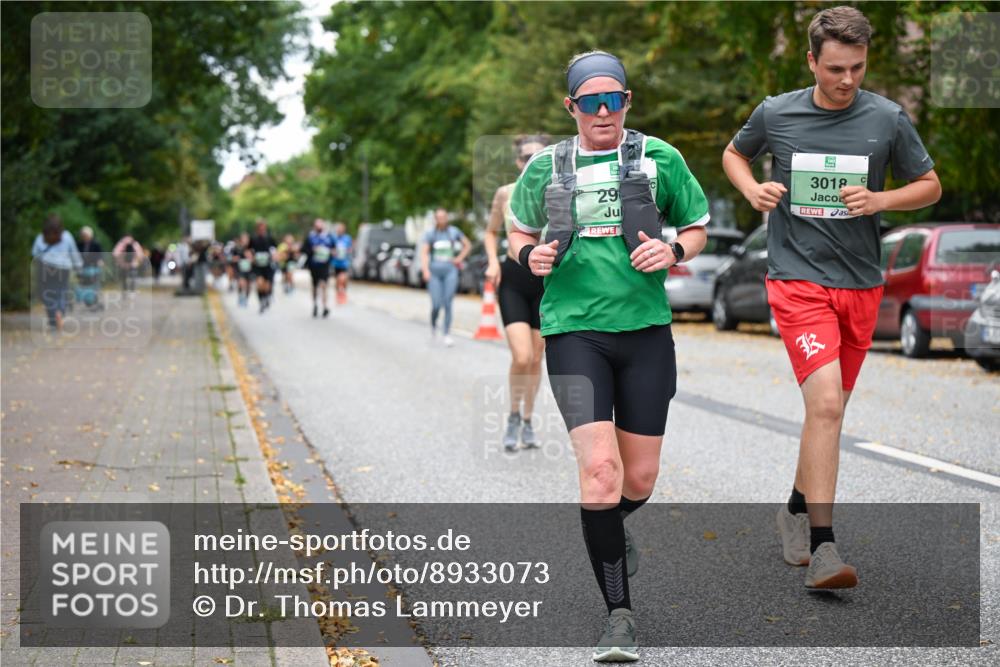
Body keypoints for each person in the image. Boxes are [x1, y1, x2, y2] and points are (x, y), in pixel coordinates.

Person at [721, 6, 941, 591]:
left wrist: (879, 201)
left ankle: (794, 507)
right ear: (812, 61)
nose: (848, 80)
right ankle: (824, 546)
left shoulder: (887, 118)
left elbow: (930, 185)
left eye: (859, 68)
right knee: (823, 406)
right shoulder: (778, 112)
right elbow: (734, 153)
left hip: (861, 283)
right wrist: (752, 189)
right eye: (836, 68)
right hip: (796, 279)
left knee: (831, 412)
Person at [508, 51, 709, 662]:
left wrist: (674, 251)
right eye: (589, 101)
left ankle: (611, 530)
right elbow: (517, 232)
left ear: (627, 101)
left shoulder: (659, 159)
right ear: (570, 108)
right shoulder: (546, 167)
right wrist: (529, 257)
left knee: (639, 478)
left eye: (612, 99)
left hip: (645, 331)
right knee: (601, 474)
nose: (602, 111)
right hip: (572, 334)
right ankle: (618, 617)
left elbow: (695, 227)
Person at [484, 134, 550, 452]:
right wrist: (492, 263)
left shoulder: (558, 192)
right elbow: (489, 232)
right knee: (522, 356)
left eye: (537, 157)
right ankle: (512, 415)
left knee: (537, 357)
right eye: (526, 158)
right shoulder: (505, 194)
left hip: (547, 281)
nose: (530, 163)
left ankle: (527, 419)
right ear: (517, 161)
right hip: (513, 277)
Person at [420, 208, 471, 347]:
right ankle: (433, 324)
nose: (441, 219)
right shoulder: (430, 234)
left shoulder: (454, 232)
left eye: (444, 217)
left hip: (450, 271)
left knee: (448, 302)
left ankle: (446, 333)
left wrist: (459, 258)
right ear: (435, 219)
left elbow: (467, 245)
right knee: (436, 304)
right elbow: (424, 253)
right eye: (439, 217)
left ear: (447, 218)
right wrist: (425, 270)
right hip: (435, 272)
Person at [32, 213, 82, 331]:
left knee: (48, 294)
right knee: (61, 291)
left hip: (46, 267)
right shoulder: (67, 236)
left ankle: (53, 320)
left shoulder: (40, 237)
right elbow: (74, 253)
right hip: (63, 268)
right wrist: (79, 268)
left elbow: (34, 253)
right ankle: (60, 312)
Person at [302, 219, 335, 318]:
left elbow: (334, 249)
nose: (319, 227)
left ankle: (325, 307)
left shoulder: (329, 237)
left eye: (320, 225)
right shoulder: (310, 237)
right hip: (314, 265)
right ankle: (315, 304)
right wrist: (312, 250)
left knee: (324, 285)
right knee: (315, 286)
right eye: (317, 226)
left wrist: (331, 252)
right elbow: (304, 249)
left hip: (325, 265)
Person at [249, 219, 278, 313]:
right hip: (257, 264)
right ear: (257, 228)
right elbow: (248, 250)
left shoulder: (270, 238)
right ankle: (261, 301)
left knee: (266, 285)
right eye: (260, 227)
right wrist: (251, 257)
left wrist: (274, 256)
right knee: (259, 283)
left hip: (268, 264)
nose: (262, 229)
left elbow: (274, 249)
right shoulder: (253, 238)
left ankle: (266, 298)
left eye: (263, 227)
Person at [331, 222, 353, 304]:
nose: (339, 230)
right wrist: (333, 252)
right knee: (338, 279)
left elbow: (350, 248)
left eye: (341, 229)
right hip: (336, 263)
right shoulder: (333, 238)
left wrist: (347, 250)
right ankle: (338, 293)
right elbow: (331, 248)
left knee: (343, 278)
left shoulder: (347, 238)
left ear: (344, 230)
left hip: (345, 262)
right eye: (338, 229)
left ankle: (343, 290)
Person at [233, 232, 253, 307]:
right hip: (240, 269)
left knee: (248, 286)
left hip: (249, 269)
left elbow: (254, 258)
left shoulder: (251, 248)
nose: (245, 240)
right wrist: (236, 259)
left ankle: (246, 299)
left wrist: (251, 258)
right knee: (241, 283)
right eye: (243, 238)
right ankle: (240, 296)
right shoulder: (237, 248)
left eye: (246, 238)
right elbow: (233, 257)